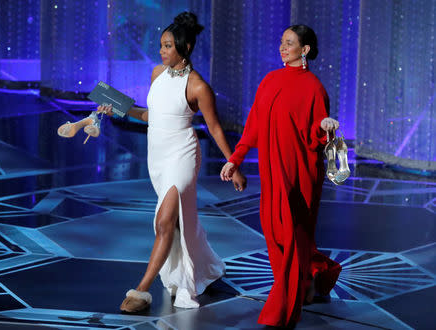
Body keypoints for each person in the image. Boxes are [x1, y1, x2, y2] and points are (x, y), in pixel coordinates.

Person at [98, 12, 247, 312]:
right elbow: (153, 115)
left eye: (168, 46)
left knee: (165, 221)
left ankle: (141, 290)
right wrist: (119, 108)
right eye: (161, 45)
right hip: (158, 156)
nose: (161, 50)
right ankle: (206, 266)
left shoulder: (198, 86)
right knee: (178, 223)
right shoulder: (157, 74)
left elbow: (215, 127)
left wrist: (234, 164)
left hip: (183, 155)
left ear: (186, 48)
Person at [220, 25, 342, 327]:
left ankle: (280, 312)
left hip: (300, 176)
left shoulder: (314, 87)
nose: (282, 48)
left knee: (291, 235)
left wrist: (325, 127)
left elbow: (317, 136)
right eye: (281, 43)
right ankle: (314, 275)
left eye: (289, 43)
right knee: (276, 235)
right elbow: (253, 128)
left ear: (305, 50)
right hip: (272, 173)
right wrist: (235, 159)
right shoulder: (270, 81)